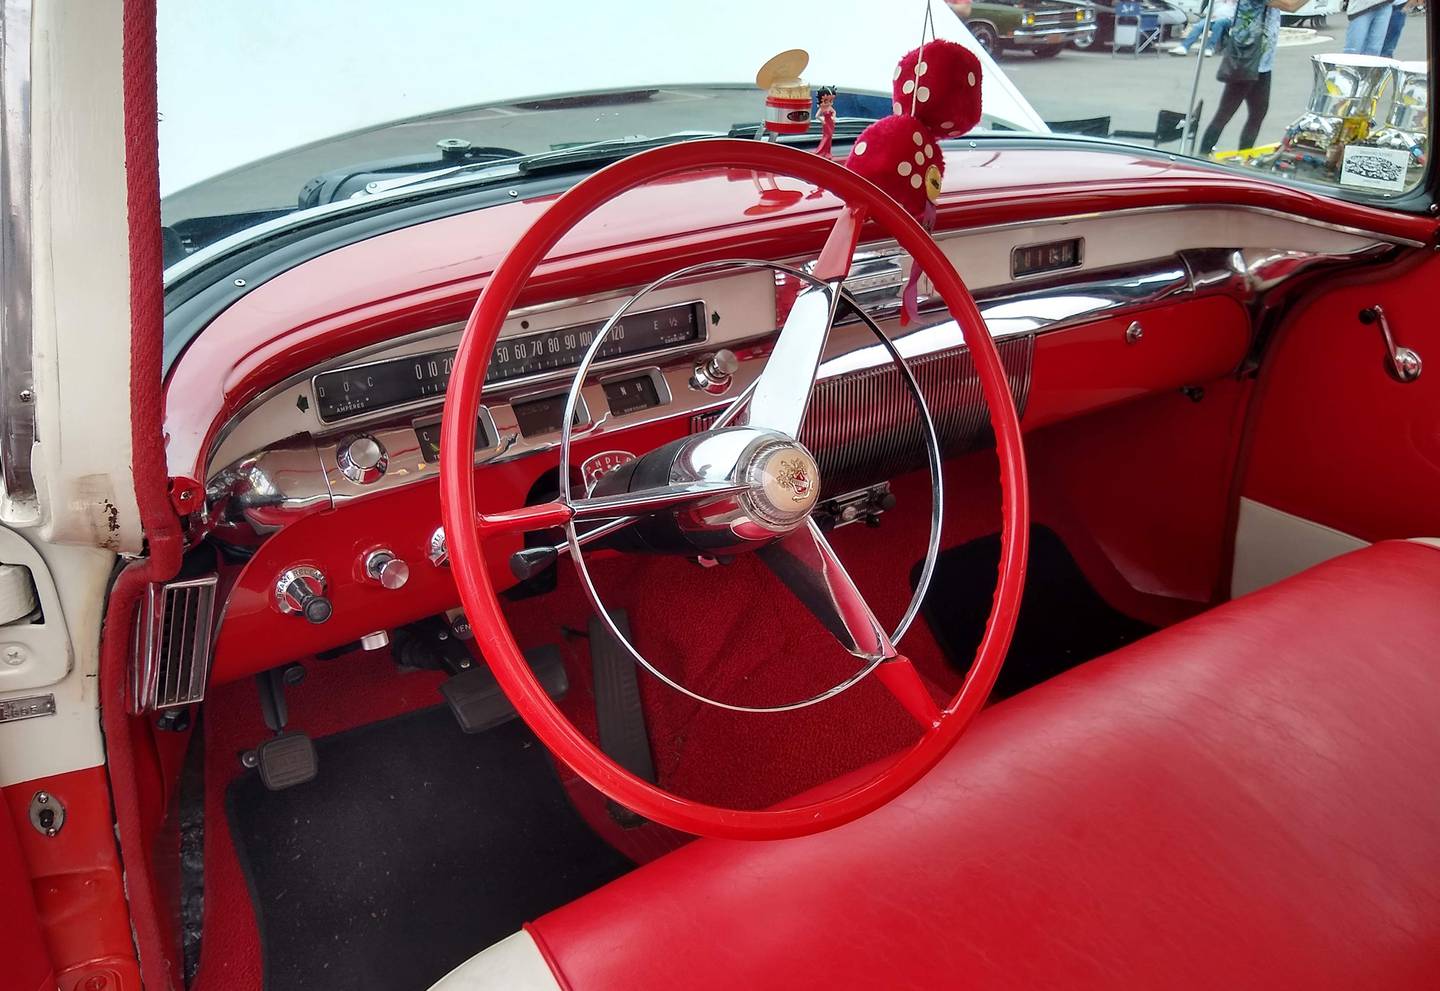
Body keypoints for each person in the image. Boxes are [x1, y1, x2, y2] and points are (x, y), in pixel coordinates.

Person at [1200, 0, 1308, 155]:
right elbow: (1289, 5)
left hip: (1262, 62)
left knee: (1258, 113)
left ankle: (1244, 157)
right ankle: (1202, 155)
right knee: (1225, 113)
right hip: (1246, 58)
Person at [1170, 0, 1237, 55]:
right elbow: (1209, 8)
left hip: (1229, 19)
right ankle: (1184, 47)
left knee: (1218, 24)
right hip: (1213, 18)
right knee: (1199, 26)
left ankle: (1209, 48)